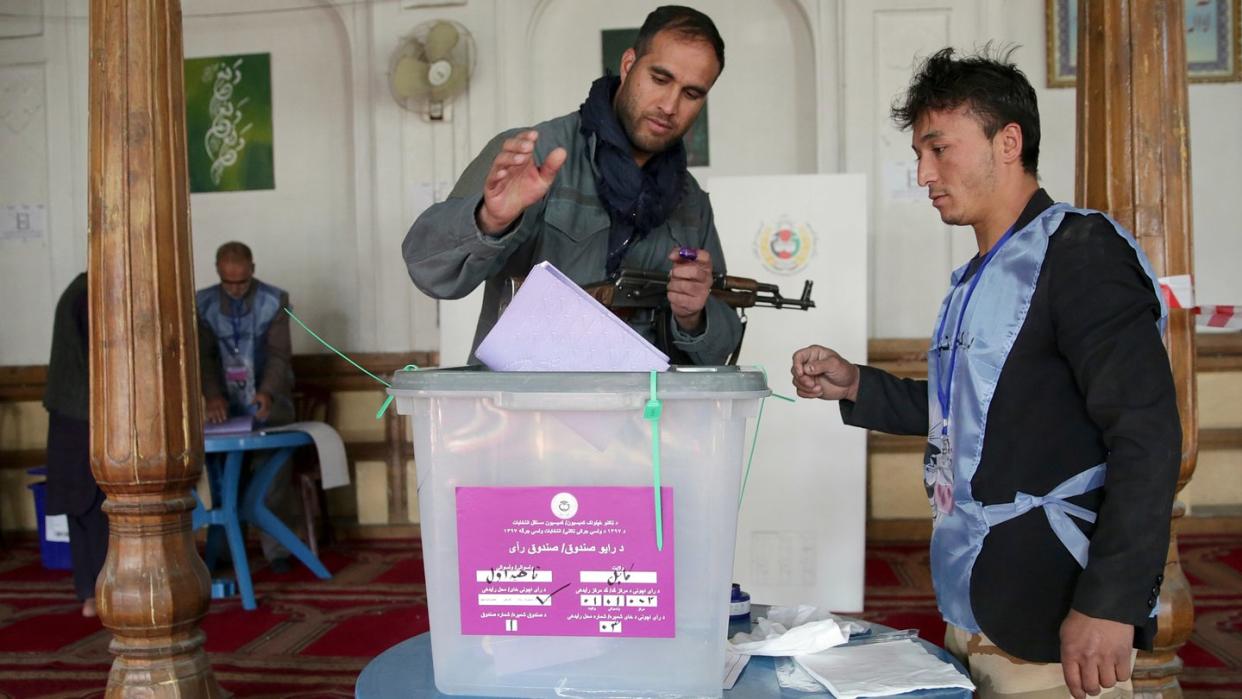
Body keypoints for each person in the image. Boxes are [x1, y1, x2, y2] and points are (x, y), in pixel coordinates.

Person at [791, 47, 1180, 699]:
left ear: (1008, 141)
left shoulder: (1080, 252)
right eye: (919, 152)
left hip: (1060, 616)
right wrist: (856, 383)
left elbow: (1147, 434)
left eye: (939, 148)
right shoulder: (978, 274)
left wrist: (1110, 603)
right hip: (978, 597)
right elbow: (972, 414)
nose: (923, 172)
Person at [402, 5, 741, 365]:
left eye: (691, 94)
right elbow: (430, 273)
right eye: (660, 79)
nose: (670, 106)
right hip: (525, 410)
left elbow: (719, 348)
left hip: (644, 415)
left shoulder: (691, 202)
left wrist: (694, 317)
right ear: (628, 65)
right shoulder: (534, 153)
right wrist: (489, 220)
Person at [197, 241, 298, 571]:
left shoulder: (274, 300)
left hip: (268, 403)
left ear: (252, 270)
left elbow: (280, 355)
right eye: (229, 282)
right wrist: (212, 395)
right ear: (218, 272)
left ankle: (278, 551)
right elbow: (204, 357)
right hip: (223, 407)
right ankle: (225, 550)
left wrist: (267, 392)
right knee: (224, 480)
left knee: (273, 481)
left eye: (242, 281)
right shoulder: (203, 304)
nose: (236, 289)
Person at [43, 272, 107, 618]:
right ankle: (98, 593)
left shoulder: (80, 288)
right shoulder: (91, 295)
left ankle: (91, 594)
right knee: (94, 506)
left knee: (84, 510)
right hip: (86, 416)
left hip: (73, 414)